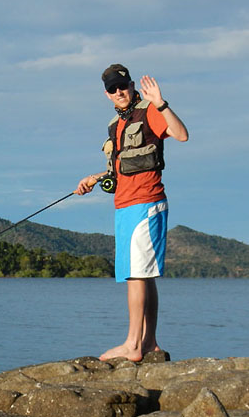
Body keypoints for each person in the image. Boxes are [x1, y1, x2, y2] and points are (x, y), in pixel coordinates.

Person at [75, 64, 188, 362]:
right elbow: (120, 170)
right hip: (125, 205)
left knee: (136, 275)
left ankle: (133, 345)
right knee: (143, 275)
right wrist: (94, 178)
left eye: (122, 86)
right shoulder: (116, 125)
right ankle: (149, 343)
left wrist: (160, 102)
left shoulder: (150, 110)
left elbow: (181, 134)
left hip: (146, 203)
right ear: (106, 94)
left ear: (131, 84)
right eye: (112, 89)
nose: (119, 92)